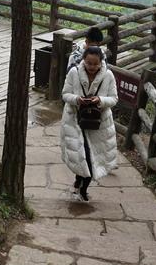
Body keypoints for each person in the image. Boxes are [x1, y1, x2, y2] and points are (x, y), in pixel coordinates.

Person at [60, 45, 119, 201]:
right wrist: (77, 99)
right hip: (75, 121)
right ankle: (79, 180)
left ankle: (83, 188)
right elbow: (65, 94)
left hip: (98, 124)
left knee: (92, 159)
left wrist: (100, 100)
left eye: (95, 64)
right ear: (83, 60)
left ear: (101, 62)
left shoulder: (108, 76)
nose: (92, 67)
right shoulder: (74, 73)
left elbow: (114, 99)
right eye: (89, 63)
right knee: (81, 155)